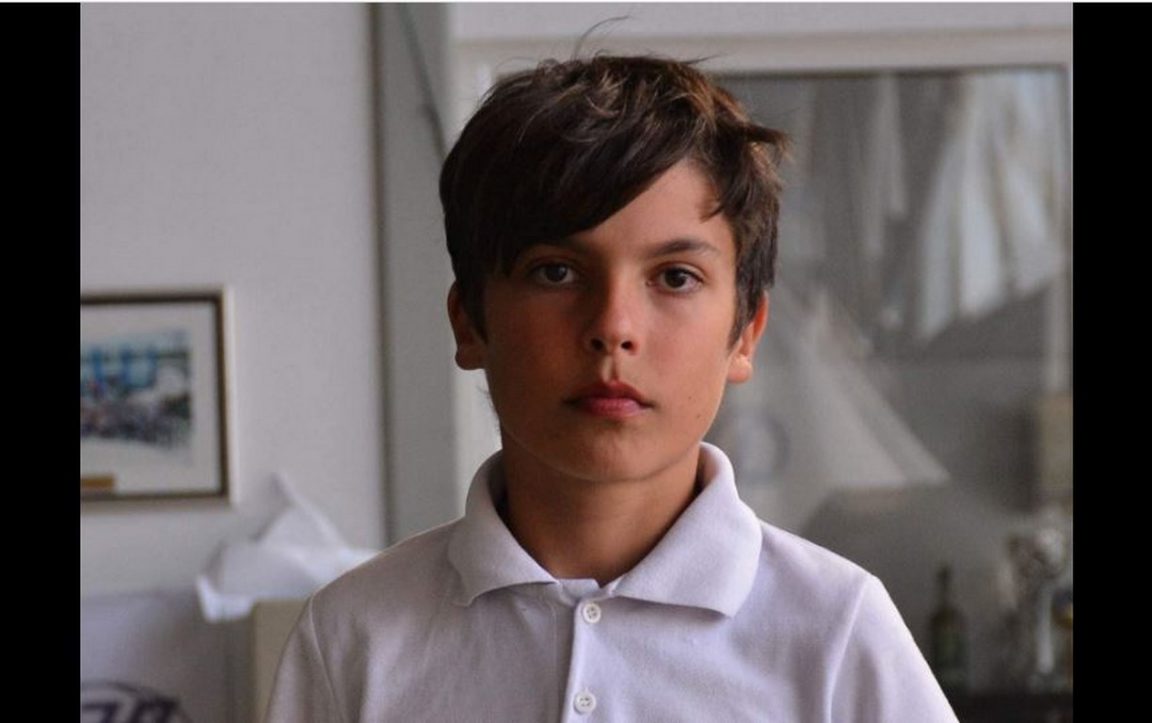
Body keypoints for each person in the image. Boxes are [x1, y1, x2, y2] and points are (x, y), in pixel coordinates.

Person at [265, 55, 959, 722]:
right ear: (470, 321)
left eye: (675, 277)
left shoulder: (835, 633)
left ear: (745, 333)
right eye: (556, 272)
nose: (613, 328)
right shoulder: (354, 636)